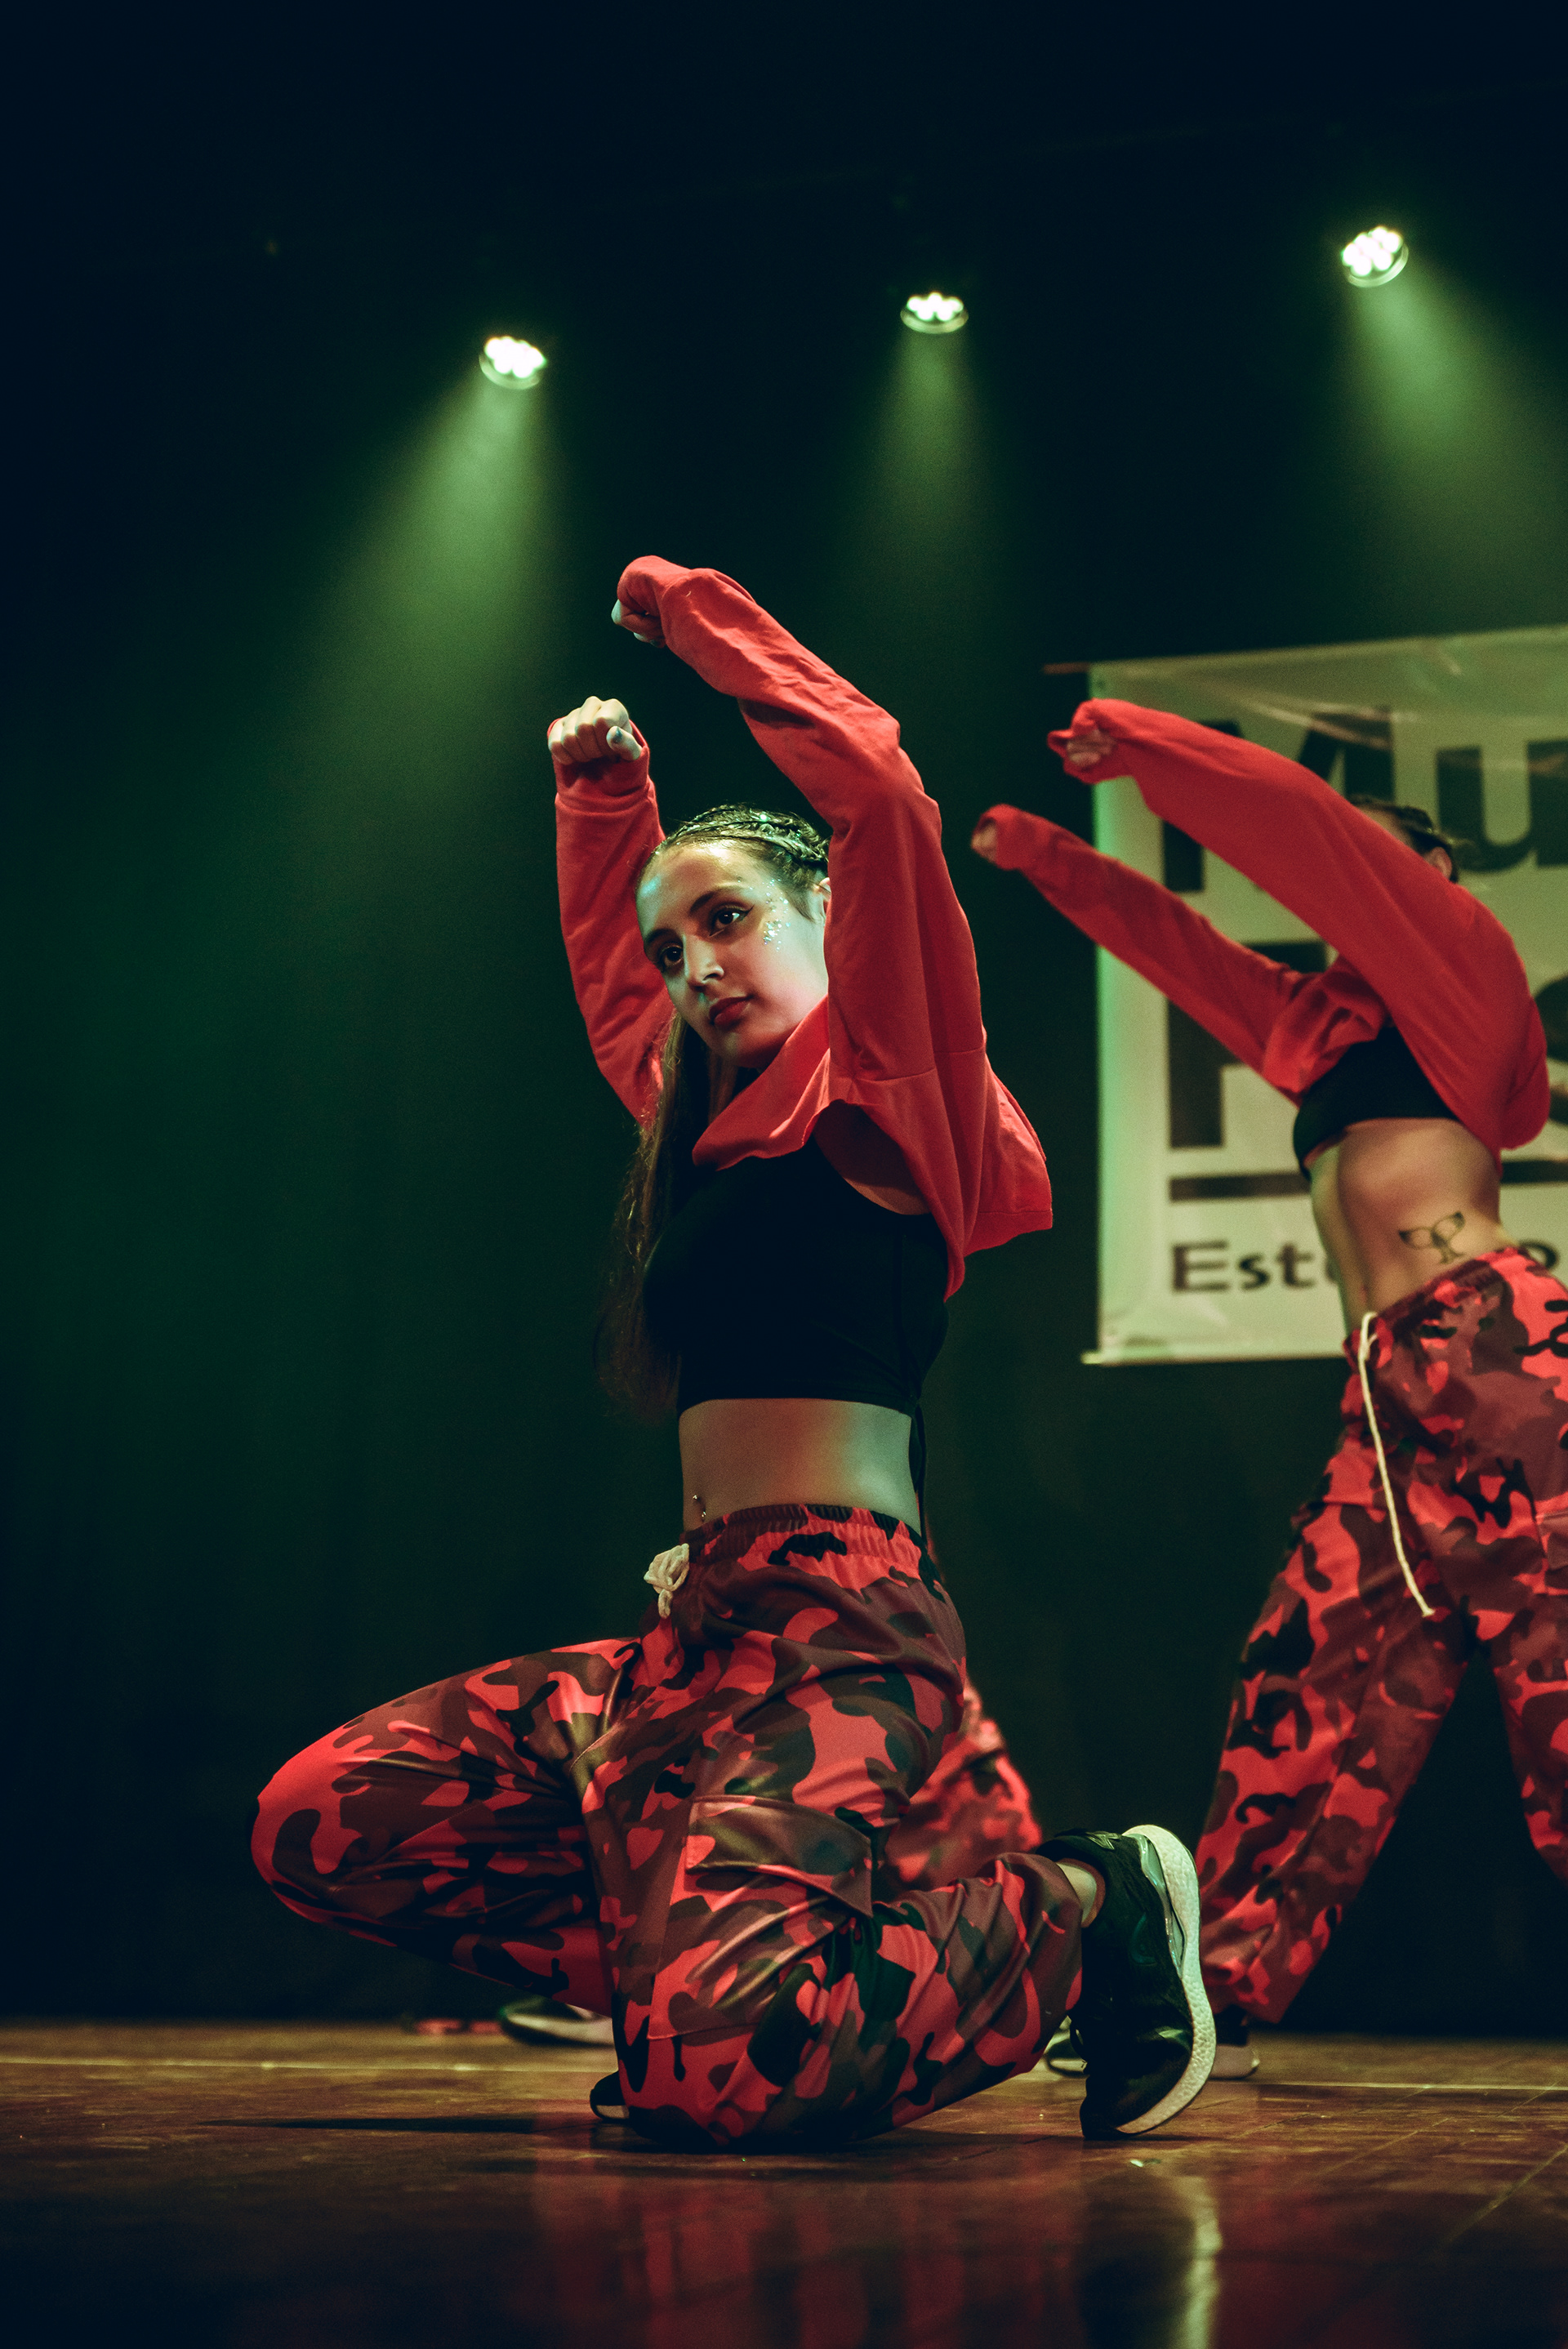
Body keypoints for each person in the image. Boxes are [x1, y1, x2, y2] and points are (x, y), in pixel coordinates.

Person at [252, 564, 1214, 2149]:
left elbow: (880, 788)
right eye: (674, 945)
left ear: (831, 915)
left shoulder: (895, 1089)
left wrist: (692, 615)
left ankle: (1095, 1900)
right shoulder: (710, 1127)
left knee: (723, 2078)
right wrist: (600, 803)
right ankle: (697, 1985)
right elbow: (614, 992)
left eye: (729, 920)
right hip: (695, 1629)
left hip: (844, 1625)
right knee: (324, 1822)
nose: (697, 966)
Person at [974, 699, 1562, 2079]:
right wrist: (1051, 856)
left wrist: (1140, 746)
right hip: (1387, 1401)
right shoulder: (1325, 1035)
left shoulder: (1466, 973)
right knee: (1310, 1682)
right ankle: (1213, 1993)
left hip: (1504, 1367)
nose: (1374, 890)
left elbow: (1307, 835)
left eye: (1396, 869)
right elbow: (1183, 952)